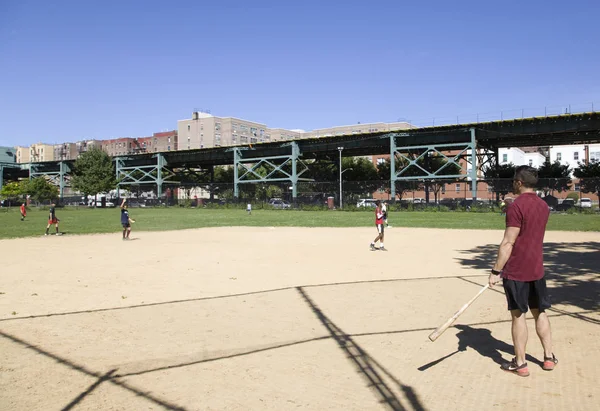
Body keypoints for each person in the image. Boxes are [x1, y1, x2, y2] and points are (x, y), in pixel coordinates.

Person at [488, 166, 557, 377]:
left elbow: (508, 243)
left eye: (513, 181)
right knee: (540, 312)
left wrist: (495, 270)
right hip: (537, 268)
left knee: (518, 316)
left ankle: (520, 363)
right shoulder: (544, 205)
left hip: (517, 271)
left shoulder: (516, 207)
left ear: (519, 182)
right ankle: (548, 357)